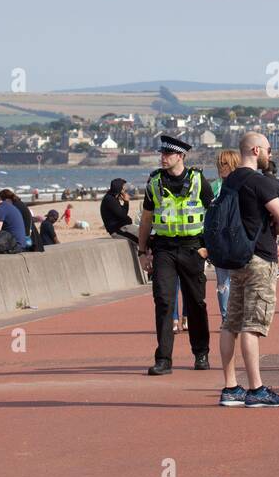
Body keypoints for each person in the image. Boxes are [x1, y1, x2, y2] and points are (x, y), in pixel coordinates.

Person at [217, 132, 279, 408]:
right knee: (252, 324)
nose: (270, 155)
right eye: (268, 150)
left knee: (231, 323)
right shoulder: (258, 182)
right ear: (255, 150)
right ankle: (256, 389)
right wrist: (274, 227)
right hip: (259, 259)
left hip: (235, 259)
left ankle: (230, 387)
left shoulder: (229, 182)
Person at [136, 136, 212, 376]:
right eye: (162, 153)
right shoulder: (155, 182)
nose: (163, 157)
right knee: (164, 302)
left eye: (168, 154)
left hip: (193, 248)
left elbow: (213, 216)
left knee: (196, 303)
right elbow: (146, 219)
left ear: (181, 156)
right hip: (164, 250)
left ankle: (201, 353)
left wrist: (207, 248)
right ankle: (163, 359)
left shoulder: (199, 180)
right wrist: (141, 251)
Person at [211, 149, 239, 318]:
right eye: (219, 163)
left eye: (225, 163)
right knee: (222, 282)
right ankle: (226, 317)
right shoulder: (214, 187)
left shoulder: (242, 185)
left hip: (238, 240)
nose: (221, 167)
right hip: (219, 241)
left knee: (240, 280)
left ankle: (238, 315)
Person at [101, 179, 138, 244]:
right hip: (117, 230)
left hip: (123, 227)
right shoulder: (110, 199)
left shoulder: (113, 197)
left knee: (145, 234)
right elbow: (123, 215)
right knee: (141, 240)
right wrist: (126, 202)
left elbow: (121, 214)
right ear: (119, 188)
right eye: (123, 187)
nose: (125, 189)